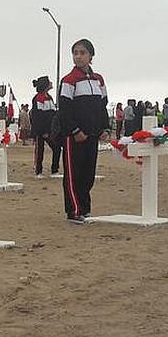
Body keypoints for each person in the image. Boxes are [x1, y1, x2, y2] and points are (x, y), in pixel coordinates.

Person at [58, 39, 110, 223]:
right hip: (75, 137)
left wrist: (105, 127)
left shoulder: (99, 80)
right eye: (75, 53)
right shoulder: (68, 80)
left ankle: (85, 207)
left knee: (88, 174)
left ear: (91, 56)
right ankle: (74, 210)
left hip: (93, 135)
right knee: (74, 173)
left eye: (82, 52)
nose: (78, 56)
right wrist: (74, 130)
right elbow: (64, 109)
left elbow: (103, 105)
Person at [30, 75, 60, 177]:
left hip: (51, 130)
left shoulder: (49, 98)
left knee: (57, 148)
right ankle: (38, 171)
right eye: (49, 82)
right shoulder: (38, 98)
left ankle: (54, 170)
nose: (51, 83)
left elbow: (53, 115)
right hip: (41, 131)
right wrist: (42, 131)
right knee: (40, 151)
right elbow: (38, 117)